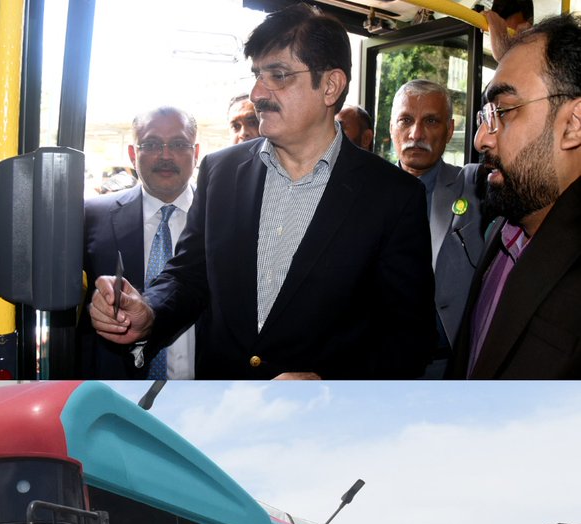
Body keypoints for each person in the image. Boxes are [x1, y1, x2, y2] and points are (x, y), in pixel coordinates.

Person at [88, 4, 435, 379]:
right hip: (222, 409)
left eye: (278, 76)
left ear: (330, 86)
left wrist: (330, 382)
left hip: (325, 424)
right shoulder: (221, 172)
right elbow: (189, 274)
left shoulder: (394, 196)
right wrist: (150, 310)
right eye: (257, 75)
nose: (256, 93)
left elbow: (408, 339)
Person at [449, 14, 581, 379]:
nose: (481, 139)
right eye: (485, 115)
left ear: (574, 124)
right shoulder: (504, 231)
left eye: (504, 111)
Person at [76, 106, 203, 379]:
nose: (166, 155)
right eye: (152, 144)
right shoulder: (91, 216)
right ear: (134, 154)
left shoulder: (225, 216)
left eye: (179, 144)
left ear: (196, 152)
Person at [389, 79, 486, 374]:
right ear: (392, 127)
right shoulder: (366, 194)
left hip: (454, 366)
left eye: (431, 121)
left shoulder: (472, 185)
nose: (416, 134)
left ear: (450, 130)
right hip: (383, 367)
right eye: (406, 120)